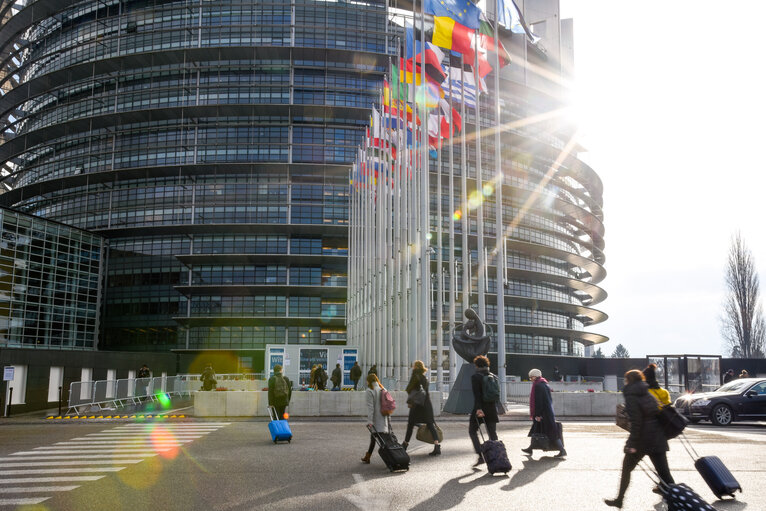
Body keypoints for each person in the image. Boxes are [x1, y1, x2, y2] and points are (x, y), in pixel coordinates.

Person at [605, 370, 675, 509]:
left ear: (628, 380)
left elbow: (637, 422)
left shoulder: (631, 394)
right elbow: (655, 411)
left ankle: (619, 500)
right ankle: (679, 502)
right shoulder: (646, 391)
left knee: (626, 469)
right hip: (658, 438)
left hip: (643, 440)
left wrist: (631, 444)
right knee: (665, 475)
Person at [522, 368, 566, 457]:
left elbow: (539, 401)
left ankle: (562, 450)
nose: (531, 380)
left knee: (551, 432)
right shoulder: (545, 384)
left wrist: (538, 414)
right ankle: (530, 449)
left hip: (543, 414)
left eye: (531, 377)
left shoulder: (538, 386)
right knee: (536, 429)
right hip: (547, 412)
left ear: (535, 376)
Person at [402, 360, 441, 456]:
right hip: (426, 404)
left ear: (416, 367)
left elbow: (409, 389)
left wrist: (410, 401)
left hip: (417, 405)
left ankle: (405, 445)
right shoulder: (424, 378)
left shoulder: (415, 376)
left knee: (410, 424)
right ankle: (437, 446)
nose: (413, 367)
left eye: (414, 366)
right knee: (430, 424)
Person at [468, 355, 499, 467]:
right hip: (491, 409)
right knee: (492, 434)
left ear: (476, 365)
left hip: (480, 408)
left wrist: (479, 409)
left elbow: (477, 395)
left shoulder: (476, 377)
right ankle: (497, 456)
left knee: (472, 431)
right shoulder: (493, 376)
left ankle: (481, 454)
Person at [361, 373, 387, 464]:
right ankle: (367, 456)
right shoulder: (382, 389)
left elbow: (370, 407)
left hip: (376, 419)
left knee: (378, 439)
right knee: (375, 437)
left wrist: (370, 421)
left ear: (368, 381)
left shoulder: (370, 391)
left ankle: (390, 456)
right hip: (384, 419)